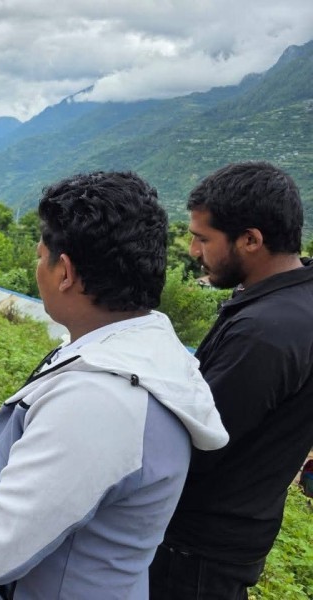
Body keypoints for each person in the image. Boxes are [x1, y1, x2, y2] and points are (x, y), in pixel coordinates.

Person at [0, 171, 228, 599]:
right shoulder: (123, 349)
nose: (37, 267)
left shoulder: (103, 402)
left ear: (65, 271)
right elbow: (63, 451)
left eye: (41, 256)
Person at [149, 162, 313, 599]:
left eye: (203, 238)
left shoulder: (266, 332)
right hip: (234, 534)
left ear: (251, 240)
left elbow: (201, 440)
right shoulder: (293, 300)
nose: (193, 250)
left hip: (198, 550)